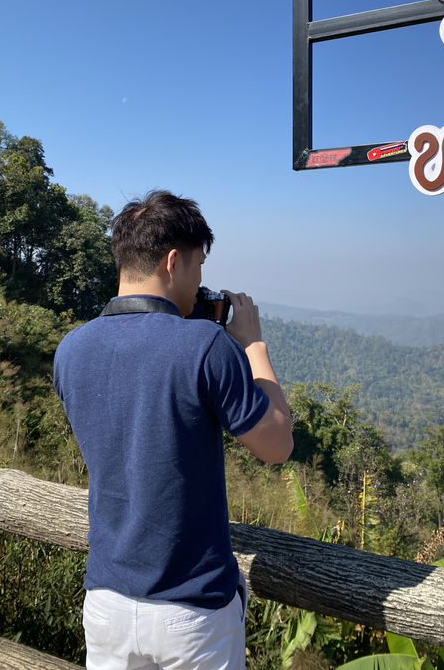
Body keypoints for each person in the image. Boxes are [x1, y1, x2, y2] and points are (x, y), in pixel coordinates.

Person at [54, 190, 293, 670]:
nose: (200, 280)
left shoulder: (70, 350)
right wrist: (252, 345)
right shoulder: (204, 345)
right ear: (172, 261)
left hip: (106, 601)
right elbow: (277, 444)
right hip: (192, 609)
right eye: (198, 266)